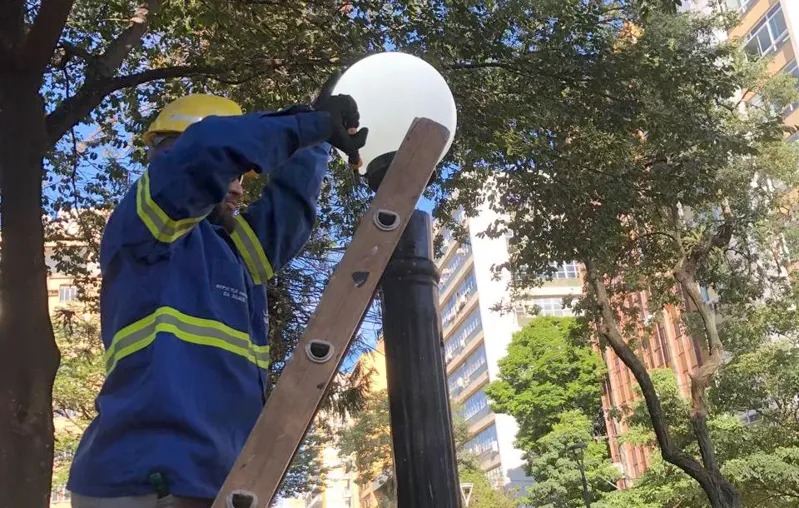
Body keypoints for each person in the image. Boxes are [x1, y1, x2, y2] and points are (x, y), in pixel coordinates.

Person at [66, 85, 367, 508]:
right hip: (146, 480)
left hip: (212, 479)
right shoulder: (146, 230)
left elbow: (290, 210)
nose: (239, 188)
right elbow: (208, 151)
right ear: (173, 156)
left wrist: (316, 138)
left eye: (243, 177)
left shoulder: (235, 252)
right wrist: (305, 123)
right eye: (234, 171)